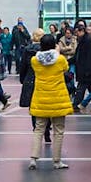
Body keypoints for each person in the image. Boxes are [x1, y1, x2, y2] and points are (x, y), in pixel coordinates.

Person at [27, 34, 73, 171]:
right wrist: (57, 52)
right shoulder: (60, 60)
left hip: (41, 98)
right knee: (58, 131)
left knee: (38, 129)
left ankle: (33, 159)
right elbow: (66, 69)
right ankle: (57, 161)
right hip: (58, 99)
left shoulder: (34, 60)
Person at [73, 25, 91, 109]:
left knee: (81, 88)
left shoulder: (87, 41)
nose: (76, 34)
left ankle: (76, 104)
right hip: (85, 70)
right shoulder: (83, 41)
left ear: (82, 31)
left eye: (77, 32)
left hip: (85, 70)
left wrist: (88, 70)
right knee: (90, 89)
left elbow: (89, 57)